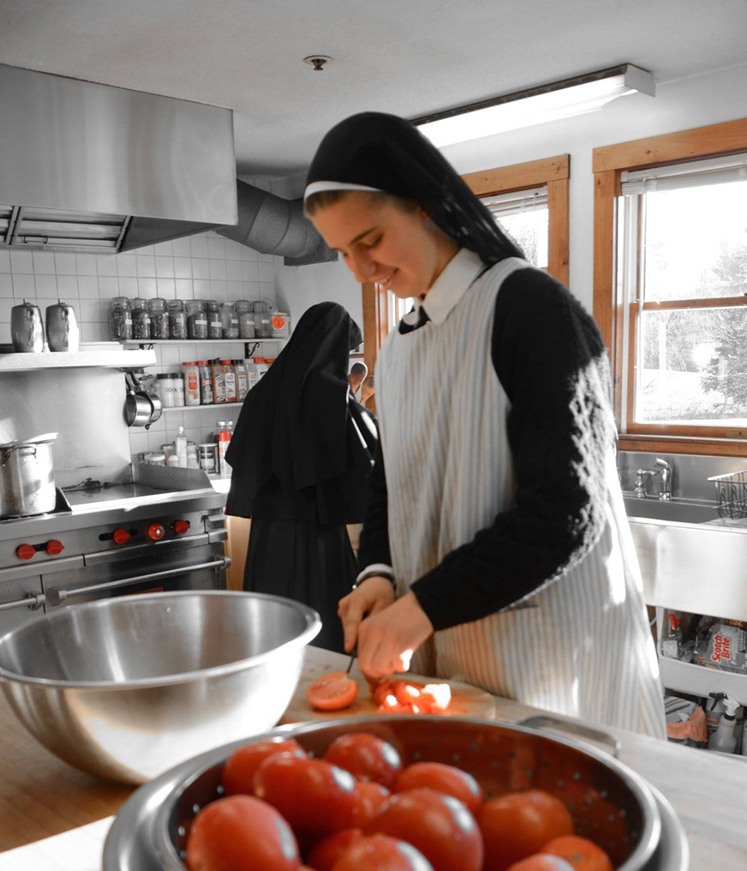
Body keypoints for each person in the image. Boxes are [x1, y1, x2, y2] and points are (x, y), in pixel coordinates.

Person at [303, 111, 665, 738]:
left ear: (425, 206)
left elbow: (566, 510)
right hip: (460, 675)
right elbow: (391, 490)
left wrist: (423, 608)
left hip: (556, 666)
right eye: (341, 253)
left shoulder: (530, 309)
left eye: (370, 241)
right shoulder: (400, 349)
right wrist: (381, 577)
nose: (360, 269)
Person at [225, 301, 375, 653]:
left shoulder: (264, 390)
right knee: (320, 623)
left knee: (273, 624)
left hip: (268, 531)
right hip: (318, 531)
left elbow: (245, 456)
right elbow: (368, 456)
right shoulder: (332, 394)